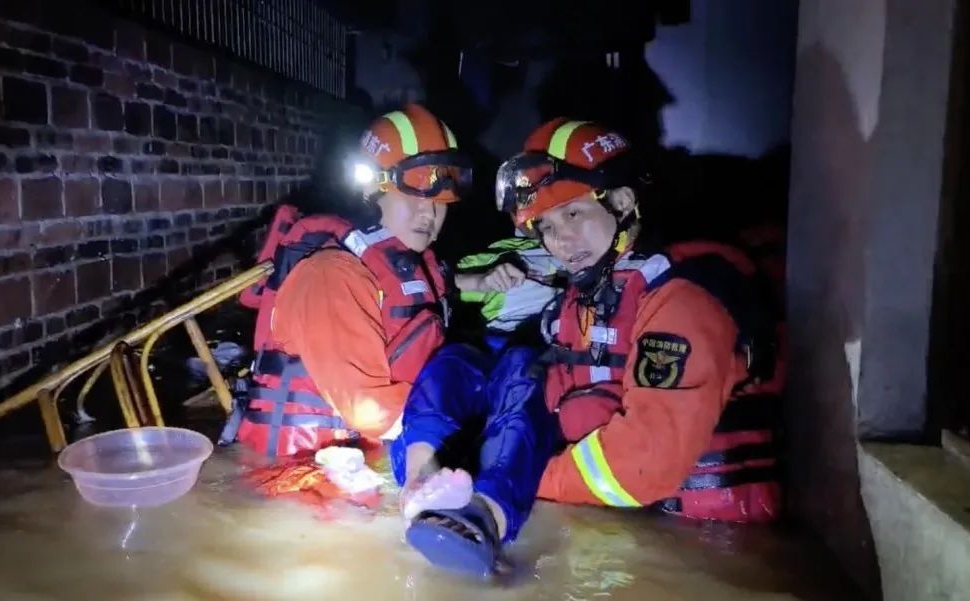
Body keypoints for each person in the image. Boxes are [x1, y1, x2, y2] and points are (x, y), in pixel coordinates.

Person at [392, 118, 783, 580]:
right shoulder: (590, 293)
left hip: (708, 543)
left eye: (572, 214)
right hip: (620, 522)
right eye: (546, 226)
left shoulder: (685, 296)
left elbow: (642, 465)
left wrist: (529, 479)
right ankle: (468, 501)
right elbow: (548, 397)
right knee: (502, 367)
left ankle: (489, 508)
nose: (559, 240)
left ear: (621, 202)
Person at [223, 103, 471, 458]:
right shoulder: (331, 274)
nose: (429, 213)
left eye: (440, 201)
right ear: (371, 194)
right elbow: (370, 410)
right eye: (412, 195)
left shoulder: (391, 265)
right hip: (300, 477)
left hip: (359, 460)